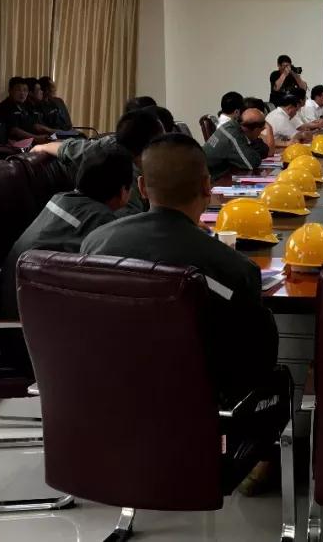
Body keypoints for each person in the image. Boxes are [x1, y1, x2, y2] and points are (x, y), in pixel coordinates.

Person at [81, 134, 287, 494]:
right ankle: (263, 460)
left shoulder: (96, 243)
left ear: (142, 187)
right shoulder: (232, 267)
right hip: (200, 406)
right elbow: (258, 355)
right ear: (207, 186)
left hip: (110, 394)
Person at [2, 149, 134, 316]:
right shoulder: (100, 220)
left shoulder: (60, 199)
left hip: (13, 300)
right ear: (123, 191)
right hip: (28, 318)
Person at [32, 108, 164, 215]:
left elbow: (69, 148)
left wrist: (42, 147)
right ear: (148, 149)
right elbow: (126, 227)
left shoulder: (110, 143)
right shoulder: (129, 181)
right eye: (161, 143)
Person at [205, 108, 270, 181]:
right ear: (256, 130)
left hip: (217, 175)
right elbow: (251, 163)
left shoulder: (232, 126)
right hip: (211, 179)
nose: (260, 134)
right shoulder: (233, 135)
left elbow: (264, 150)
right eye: (261, 131)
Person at [0, 77, 50, 144]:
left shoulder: (26, 106)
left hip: (31, 142)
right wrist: (36, 138)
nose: (22, 93)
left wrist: (49, 132)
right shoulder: (5, 107)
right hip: (16, 145)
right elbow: (14, 130)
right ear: (10, 91)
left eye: (25, 90)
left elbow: (34, 125)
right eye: (18, 90)